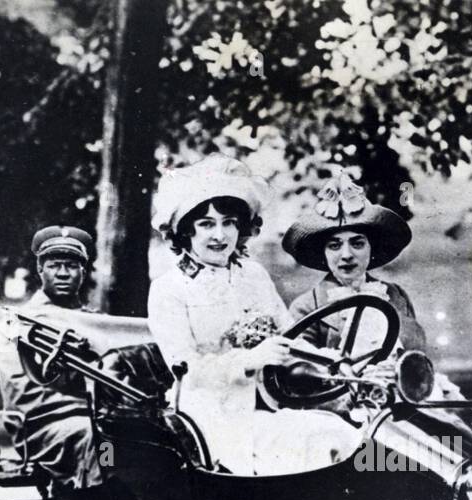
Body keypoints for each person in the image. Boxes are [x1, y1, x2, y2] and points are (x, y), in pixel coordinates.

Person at [146, 155, 360, 474]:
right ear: (186, 231)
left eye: (229, 222)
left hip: (269, 403)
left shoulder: (254, 275)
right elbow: (187, 369)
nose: (220, 235)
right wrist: (249, 359)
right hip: (208, 417)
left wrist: (329, 361)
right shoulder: (169, 289)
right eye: (206, 224)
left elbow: (288, 335)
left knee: (341, 434)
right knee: (302, 445)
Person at [283, 171, 462, 401]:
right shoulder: (307, 306)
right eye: (335, 246)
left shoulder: (395, 295)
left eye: (357, 243)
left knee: (453, 422)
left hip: (403, 396)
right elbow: (300, 376)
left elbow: (415, 356)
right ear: (324, 253)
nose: (346, 255)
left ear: (371, 248)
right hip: (342, 405)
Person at [0, 225, 101, 489]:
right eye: (55, 265)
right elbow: (21, 391)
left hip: (97, 421)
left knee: (144, 441)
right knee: (100, 442)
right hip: (44, 428)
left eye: (72, 266)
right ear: (40, 270)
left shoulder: (95, 322)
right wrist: (88, 402)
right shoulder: (18, 324)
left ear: (83, 272)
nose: (63, 273)